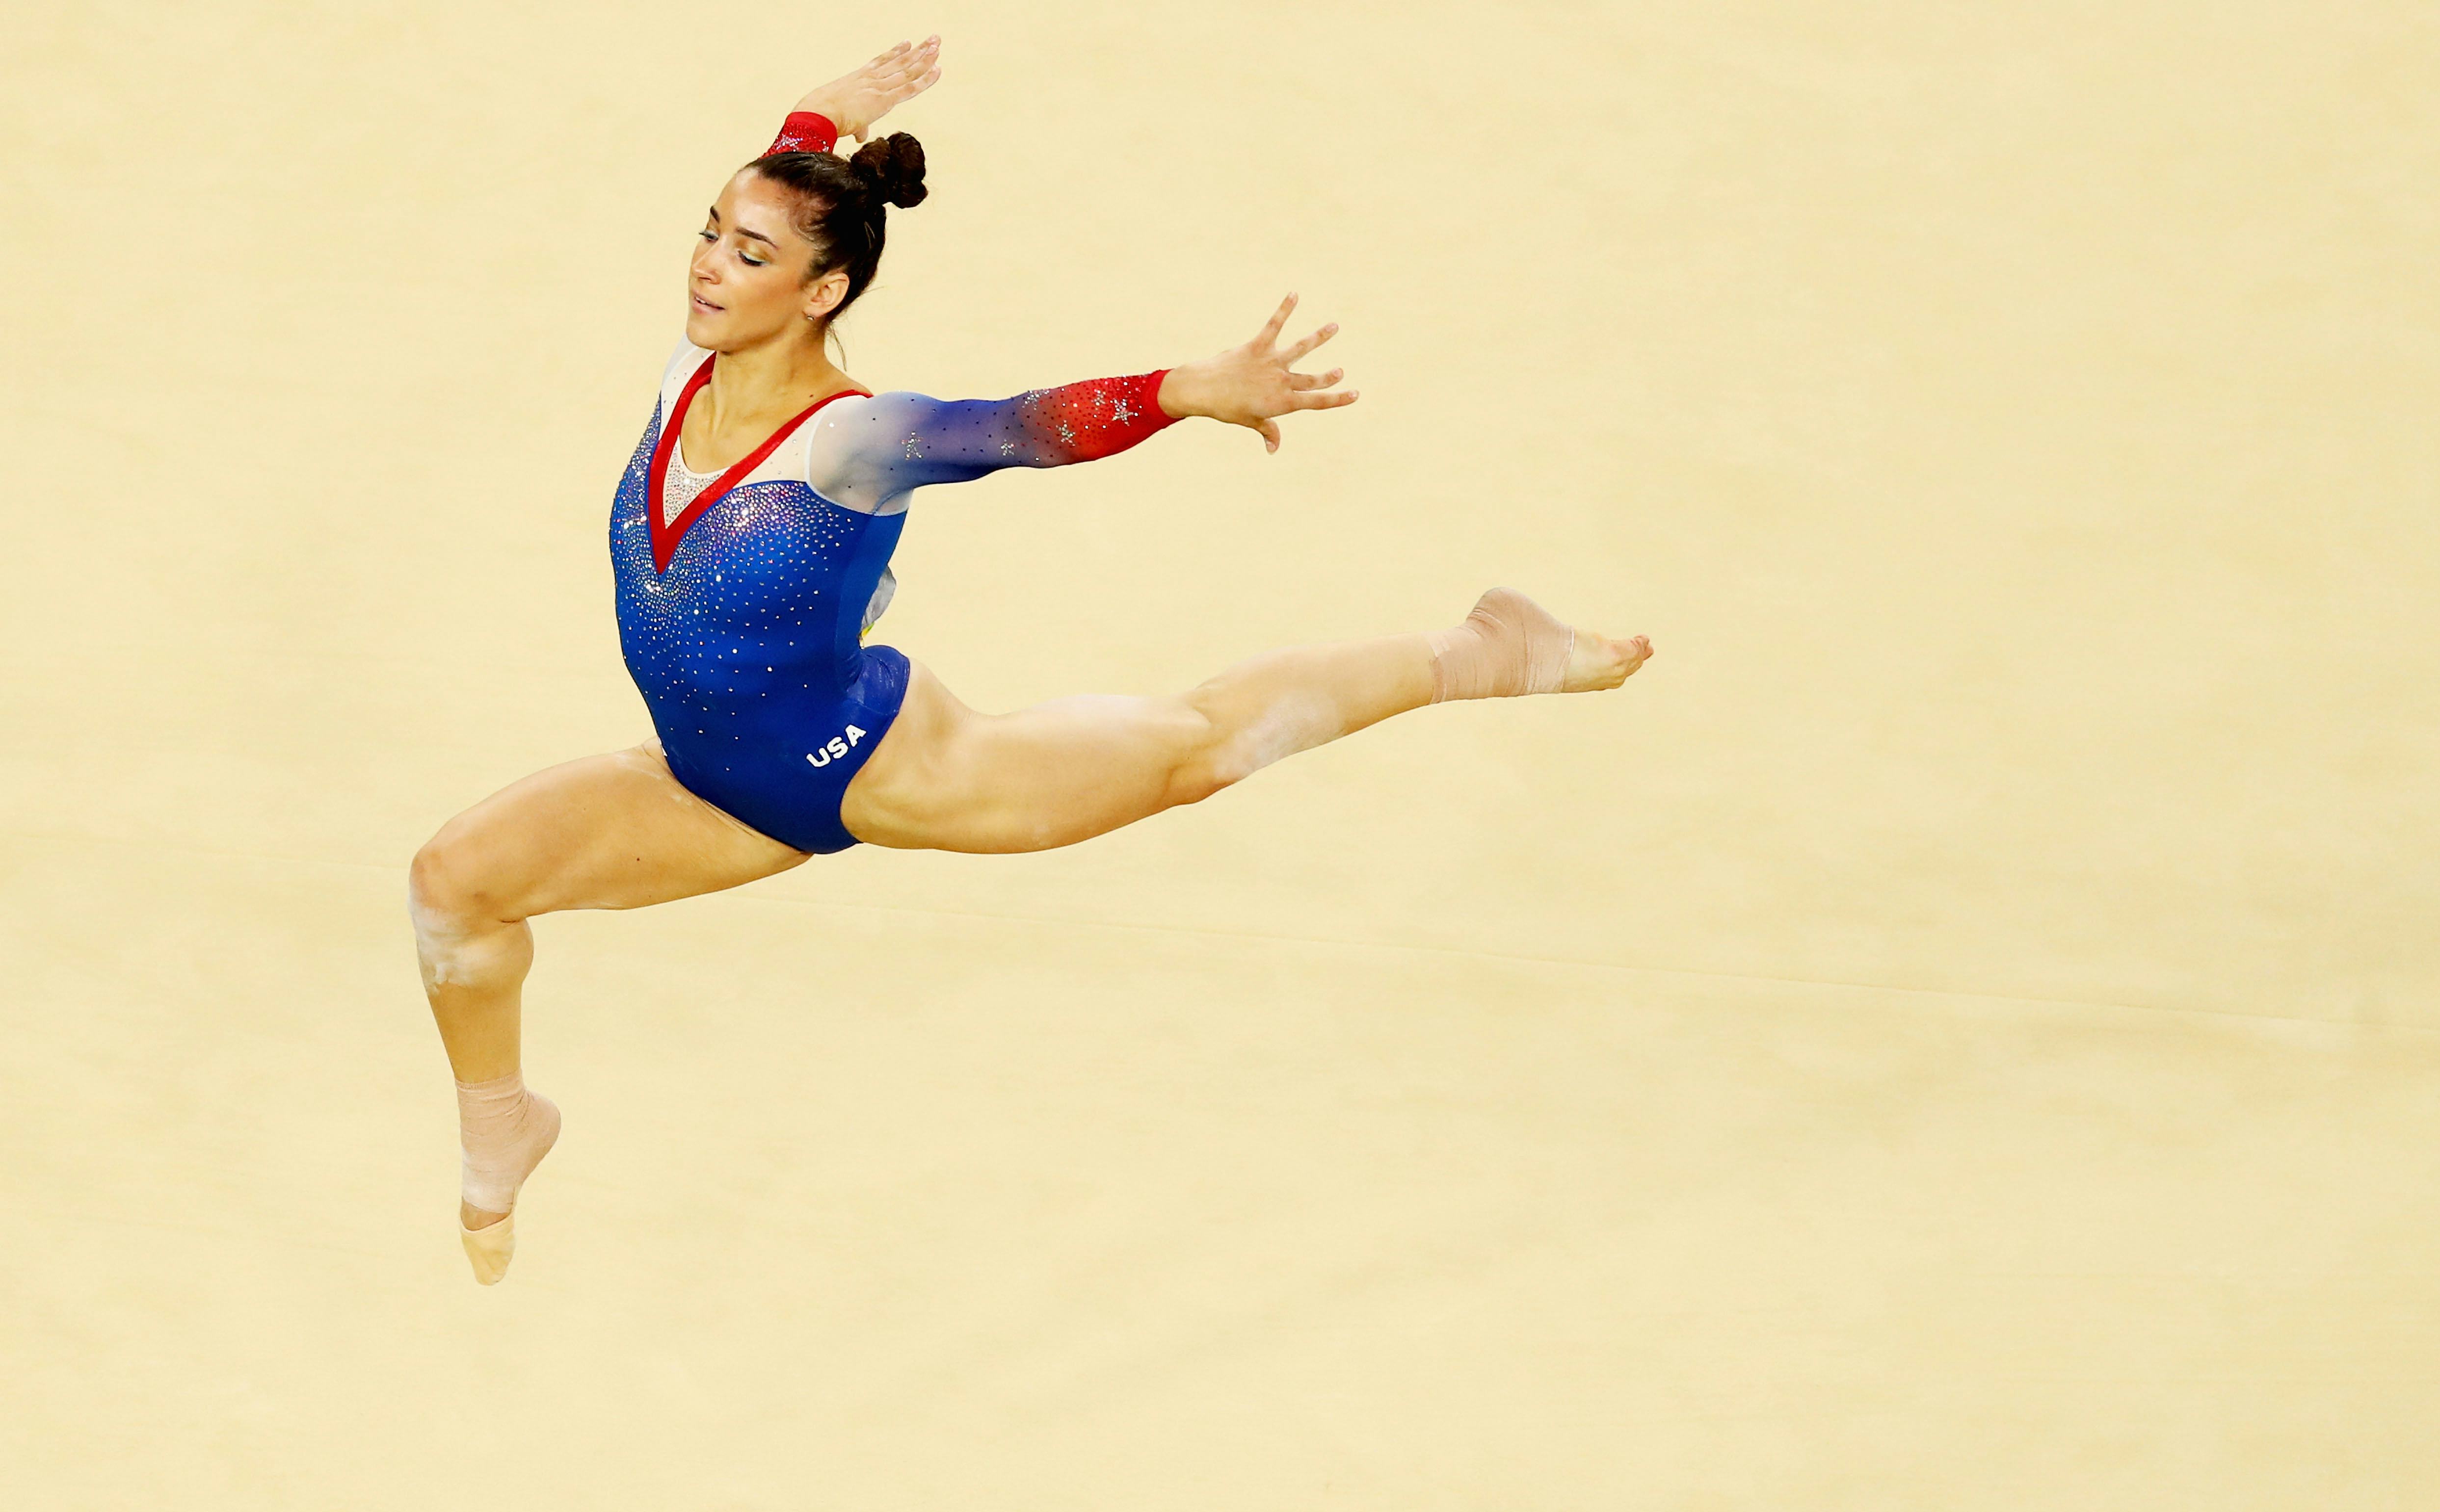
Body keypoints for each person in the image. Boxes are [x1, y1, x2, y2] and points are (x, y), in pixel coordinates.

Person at [409, 38, 1653, 1283]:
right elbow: (786, 180)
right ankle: (504, 1125)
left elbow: (1017, 430)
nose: (707, 266)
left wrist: (1181, 389)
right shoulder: (694, 368)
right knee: (455, 881)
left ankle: (1485, 651)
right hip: (699, 785)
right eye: (709, 232)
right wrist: (826, 113)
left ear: (824, 292)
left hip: (868, 765)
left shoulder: (853, 438)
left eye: (749, 253)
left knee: (1196, 749)